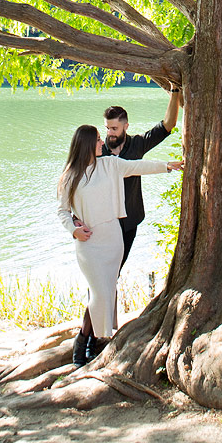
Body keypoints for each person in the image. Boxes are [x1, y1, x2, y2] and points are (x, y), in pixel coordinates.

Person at [57, 124, 182, 367]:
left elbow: (137, 166)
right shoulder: (69, 177)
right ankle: (82, 343)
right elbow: (62, 211)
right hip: (88, 242)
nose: (102, 143)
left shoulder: (110, 165)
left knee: (105, 290)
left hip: (112, 239)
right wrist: (74, 229)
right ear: (85, 145)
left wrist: (168, 165)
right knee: (100, 293)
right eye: (97, 140)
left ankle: (93, 342)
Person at [102, 87, 182, 268]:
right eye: (107, 128)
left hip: (129, 221)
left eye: (114, 128)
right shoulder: (98, 150)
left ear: (126, 126)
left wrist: (175, 91)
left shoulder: (137, 144)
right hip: (104, 223)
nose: (110, 133)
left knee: (116, 270)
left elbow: (167, 126)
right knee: (102, 271)